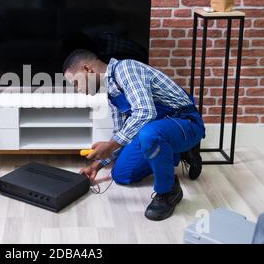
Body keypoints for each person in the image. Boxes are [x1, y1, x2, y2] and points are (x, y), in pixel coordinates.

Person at [63, 49, 205, 221]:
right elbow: (120, 134)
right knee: (121, 175)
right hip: (156, 131)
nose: (78, 90)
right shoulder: (112, 94)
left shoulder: (126, 69)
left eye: (76, 83)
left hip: (185, 123)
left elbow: (145, 112)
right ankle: (178, 152)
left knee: (149, 134)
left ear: (87, 69)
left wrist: (111, 145)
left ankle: (168, 192)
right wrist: (97, 166)